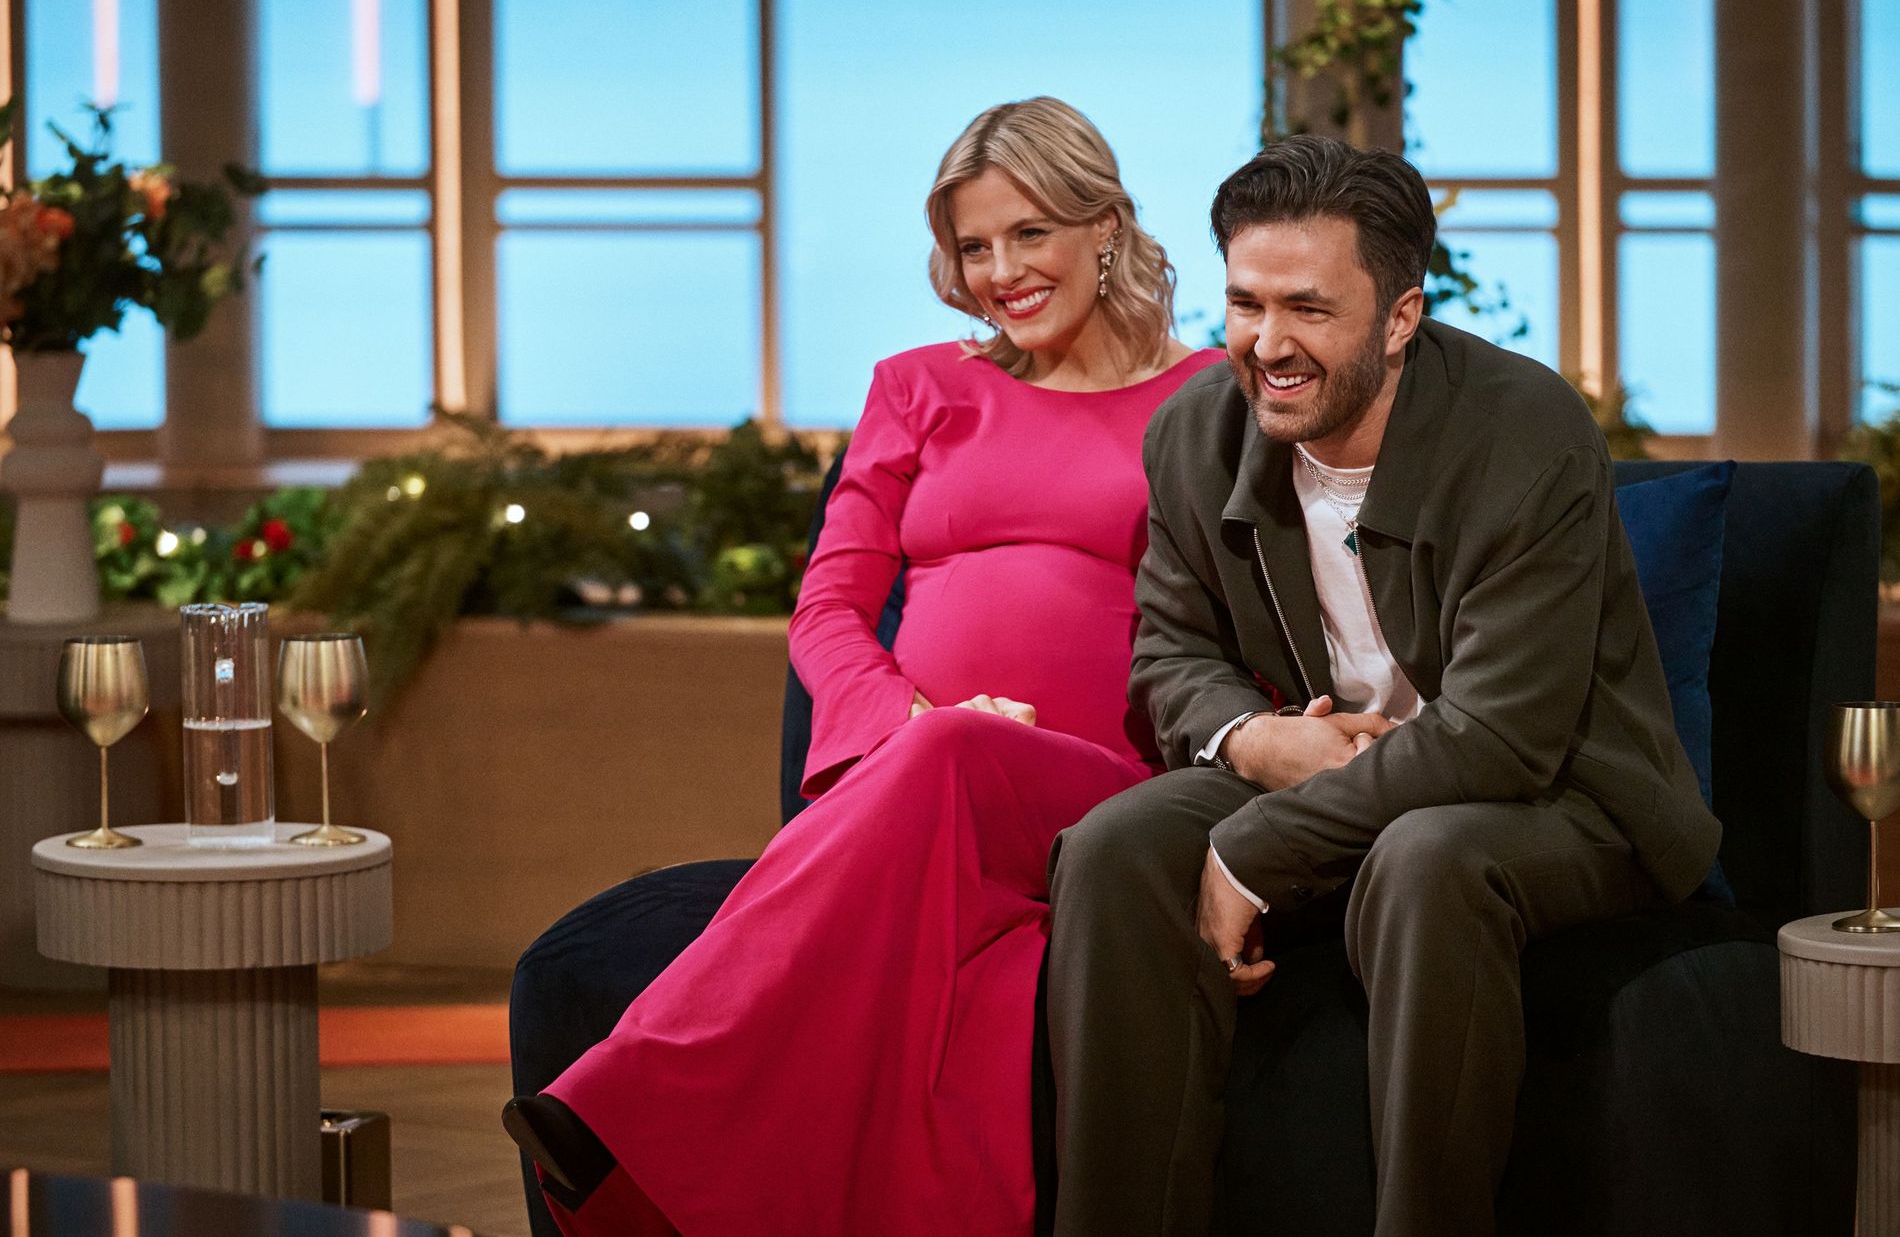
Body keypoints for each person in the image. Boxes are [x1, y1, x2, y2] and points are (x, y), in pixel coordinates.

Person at [502, 96, 1223, 1236]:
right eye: (974, 246)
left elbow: (1244, 626)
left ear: (1105, 226)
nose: (1001, 272)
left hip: (1102, 792)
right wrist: (909, 723)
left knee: (957, 750)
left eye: (1030, 232)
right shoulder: (918, 386)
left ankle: (629, 1103)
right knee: (948, 751)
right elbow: (830, 606)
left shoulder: (1209, 399)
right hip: (917, 773)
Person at [1043, 136, 1722, 1237]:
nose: (1268, 344)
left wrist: (1256, 845)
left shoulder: (1524, 430)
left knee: (1425, 855)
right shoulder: (1195, 434)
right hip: (1336, 773)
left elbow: (1503, 736)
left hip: (1561, 795)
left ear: (1401, 317)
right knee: (1115, 846)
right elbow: (1169, 656)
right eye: (1246, 304)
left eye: (1308, 309)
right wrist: (1257, 744)